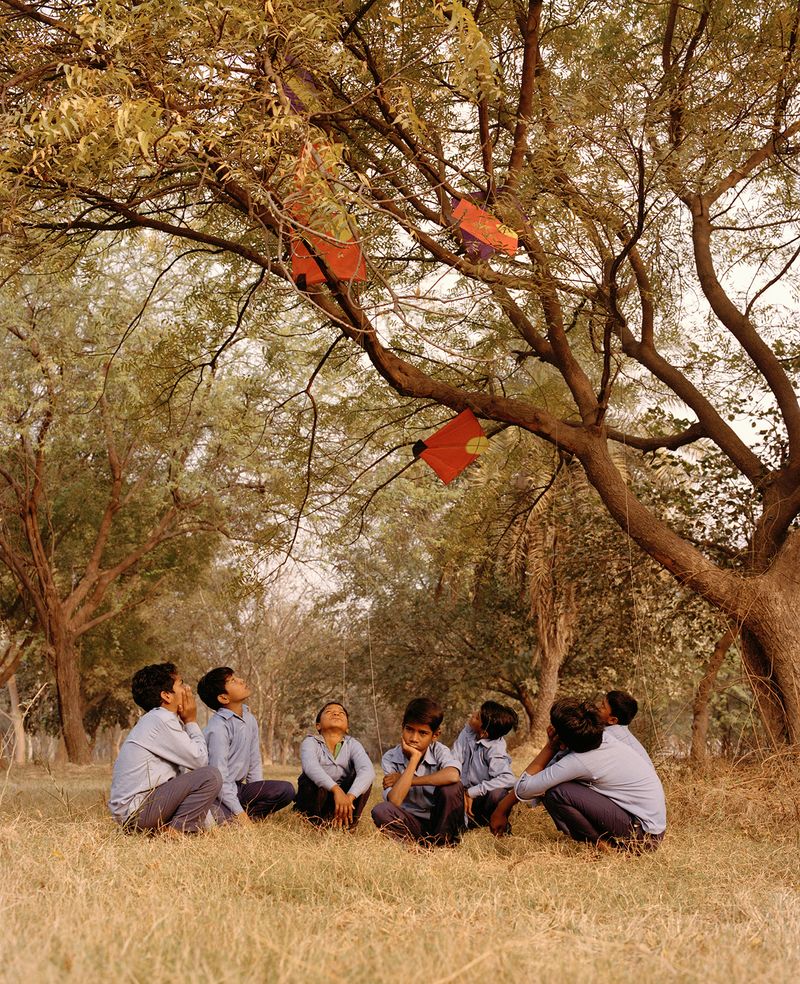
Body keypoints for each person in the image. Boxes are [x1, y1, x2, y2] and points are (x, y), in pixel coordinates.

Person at [490, 697, 666, 851]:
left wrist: (550, 747)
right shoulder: (600, 738)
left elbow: (524, 788)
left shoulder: (580, 761)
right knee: (560, 786)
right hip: (649, 829)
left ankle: (606, 847)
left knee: (557, 792)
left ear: (563, 738)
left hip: (643, 837)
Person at [109, 662, 221, 834]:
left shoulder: (159, 719)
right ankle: (178, 831)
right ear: (167, 696)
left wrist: (212, 830)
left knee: (218, 811)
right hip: (138, 813)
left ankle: (173, 829)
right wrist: (191, 721)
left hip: (141, 811)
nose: (187, 688)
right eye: (181, 683)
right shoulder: (161, 720)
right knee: (210, 776)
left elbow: (184, 775)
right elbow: (200, 761)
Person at [197, 666, 295, 824]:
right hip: (217, 793)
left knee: (286, 790)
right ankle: (236, 817)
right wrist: (239, 812)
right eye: (233, 681)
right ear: (223, 698)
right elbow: (220, 777)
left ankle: (247, 817)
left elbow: (254, 760)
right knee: (219, 821)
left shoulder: (249, 718)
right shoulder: (218, 728)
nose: (241, 681)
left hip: (239, 789)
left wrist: (258, 793)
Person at [371, 696, 464, 846]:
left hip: (440, 820)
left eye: (422, 733)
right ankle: (414, 848)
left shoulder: (440, 751)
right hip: (412, 822)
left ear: (435, 735)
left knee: (453, 788)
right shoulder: (390, 757)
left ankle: (444, 844)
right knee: (381, 810)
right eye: (409, 730)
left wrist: (407, 780)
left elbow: (453, 775)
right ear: (402, 727)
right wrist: (414, 759)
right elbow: (394, 801)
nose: (414, 738)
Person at [294, 701, 375, 828]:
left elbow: (367, 770)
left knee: (364, 779)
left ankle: (348, 824)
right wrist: (336, 790)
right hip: (318, 798)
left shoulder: (353, 744)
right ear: (318, 725)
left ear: (347, 728)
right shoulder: (310, 742)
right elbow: (311, 767)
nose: (336, 713)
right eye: (329, 712)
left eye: (341, 713)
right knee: (308, 779)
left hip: (345, 801)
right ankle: (313, 822)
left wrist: (350, 796)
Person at [452, 700, 517, 830]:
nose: (473, 714)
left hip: (481, 797)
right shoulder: (468, 732)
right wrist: (462, 791)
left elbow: (508, 779)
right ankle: (462, 823)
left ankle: (493, 822)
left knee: (497, 794)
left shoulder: (495, 748)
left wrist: (471, 792)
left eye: (477, 717)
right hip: (462, 792)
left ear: (484, 733)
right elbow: (454, 759)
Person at [598, 689, 652, 762]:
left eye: (603, 706)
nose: (597, 707)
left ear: (612, 720)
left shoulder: (605, 738)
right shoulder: (625, 736)